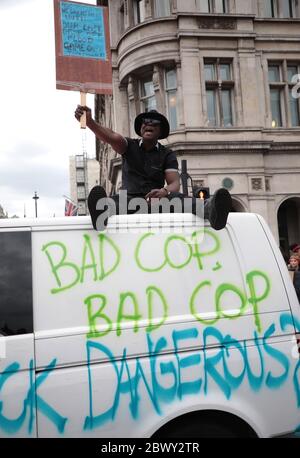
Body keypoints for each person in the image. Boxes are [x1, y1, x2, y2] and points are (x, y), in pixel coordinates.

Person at [74, 106, 232, 231]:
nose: (148, 123)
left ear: (160, 130)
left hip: (158, 203)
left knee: (182, 199)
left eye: (153, 122)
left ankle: (211, 210)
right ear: (141, 129)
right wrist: (91, 123)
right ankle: (101, 213)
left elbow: (174, 183)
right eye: (145, 121)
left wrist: (164, 191)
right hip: (130, 202)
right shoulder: (129, 145)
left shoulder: (167, 154)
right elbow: (110, 136)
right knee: (114, 201)